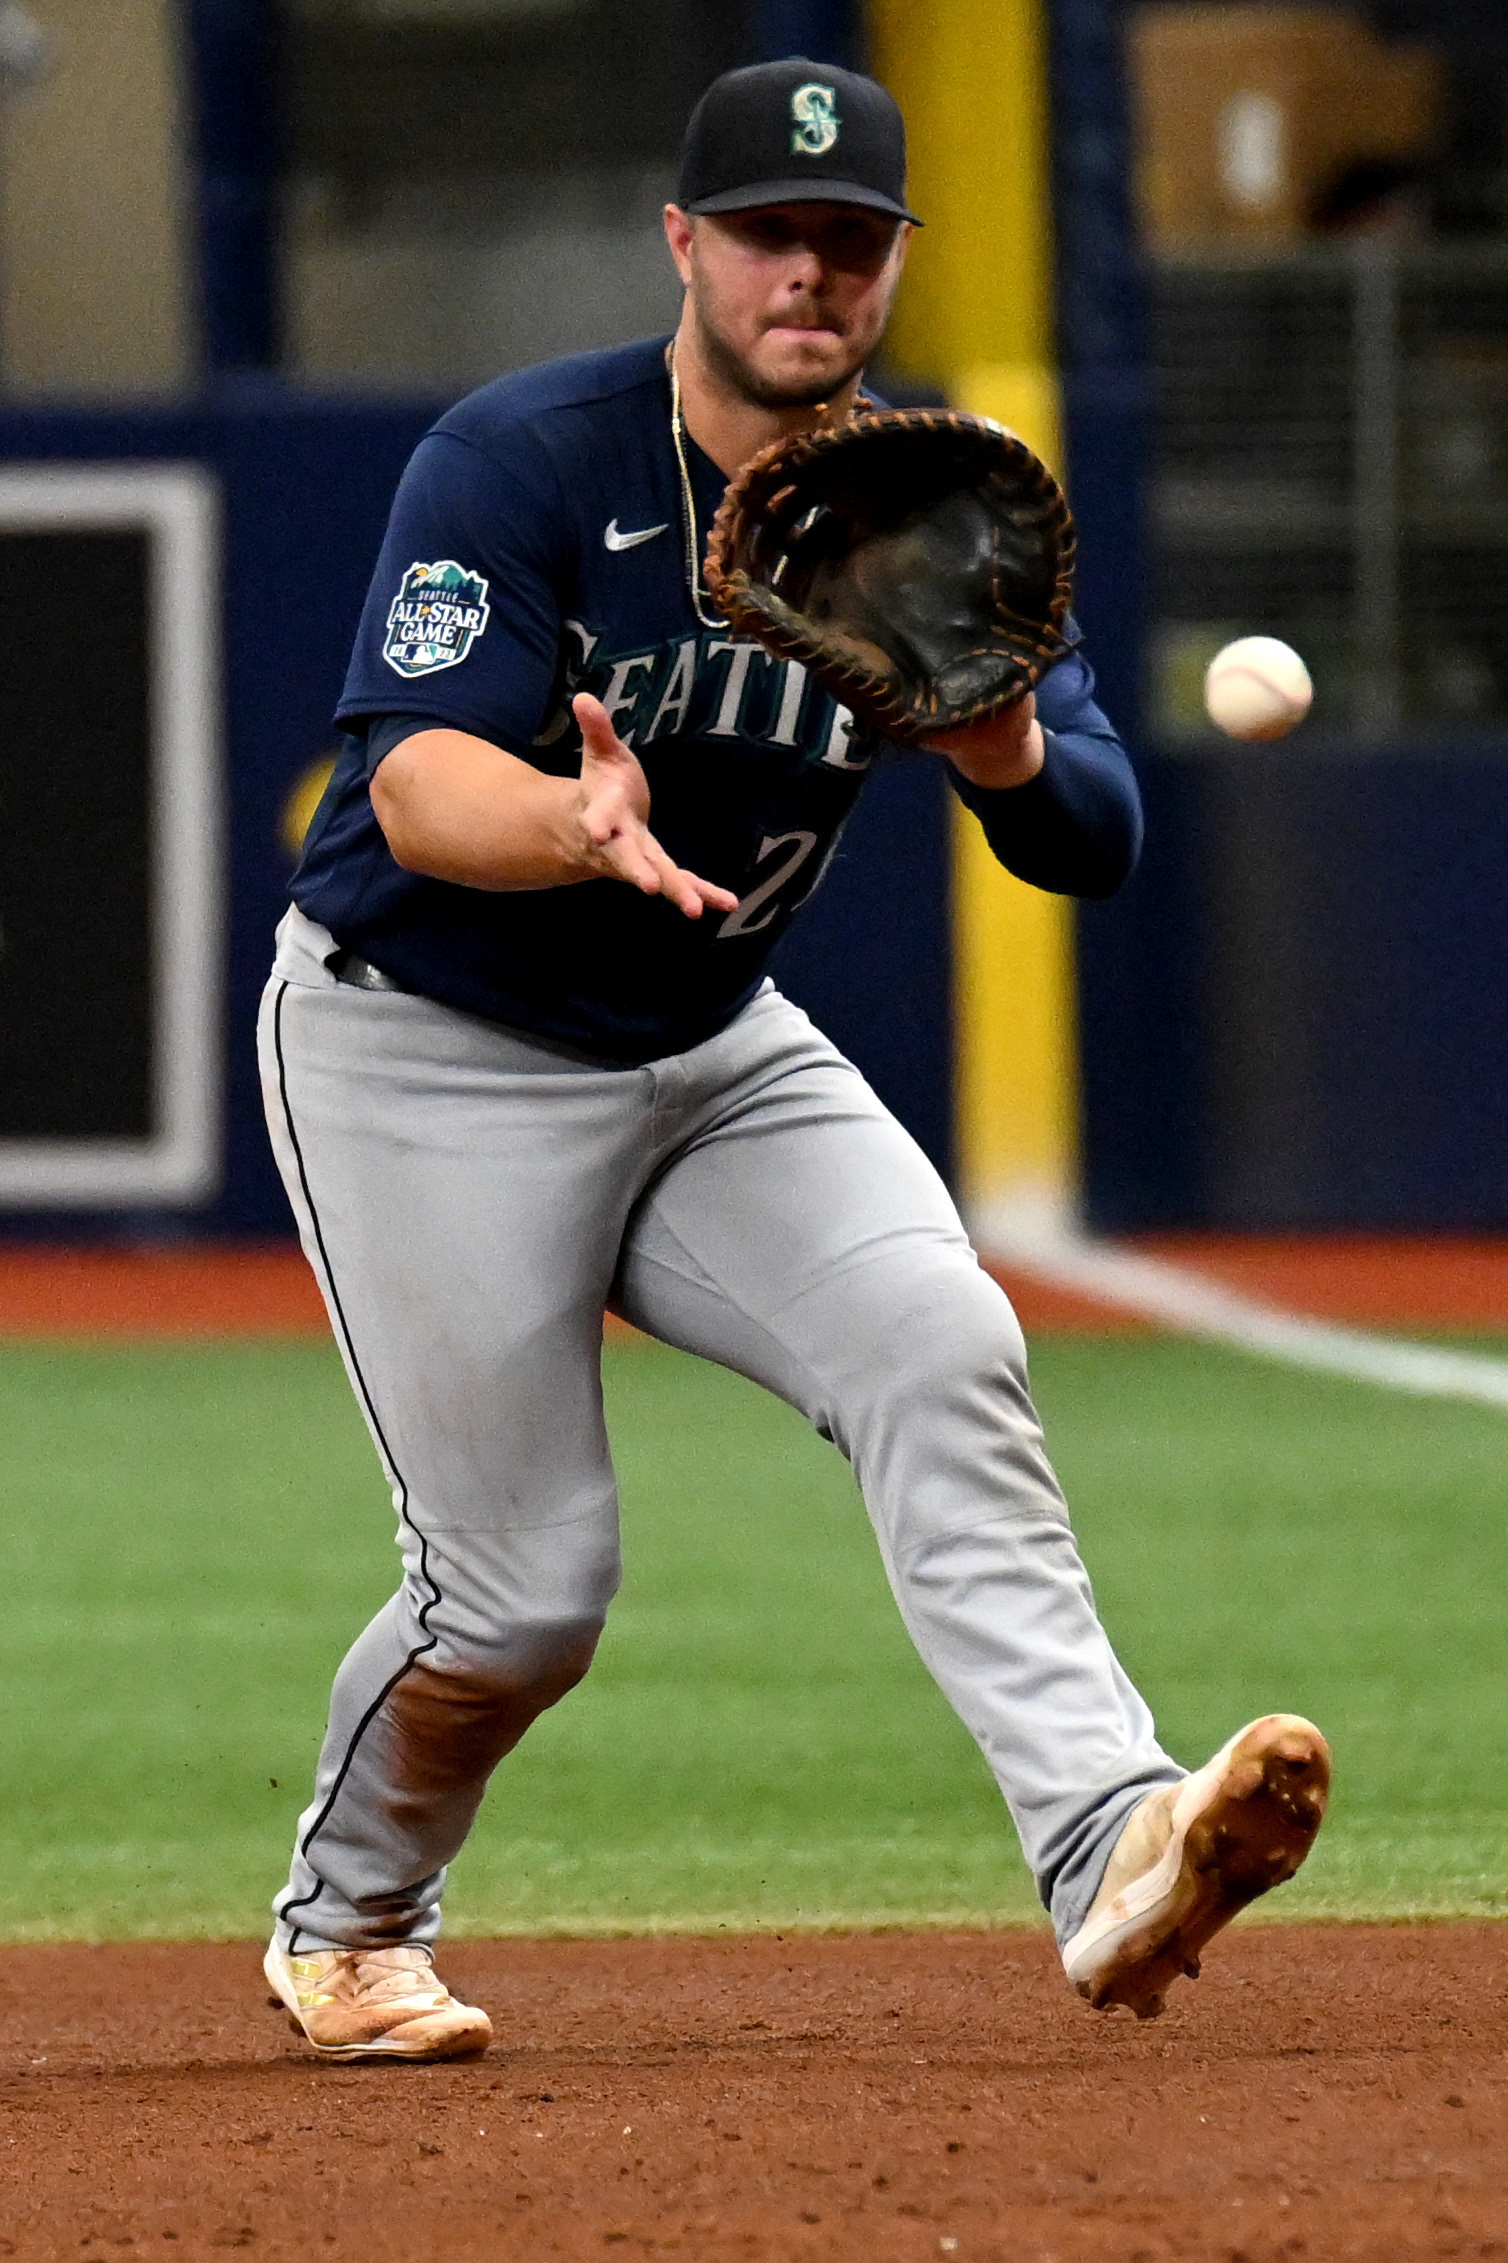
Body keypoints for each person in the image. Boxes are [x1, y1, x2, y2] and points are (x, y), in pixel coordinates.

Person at [259, 56, 1329, 2063]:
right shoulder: (519, 457)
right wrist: (573, 822)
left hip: (711, 1043)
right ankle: (351, 1921)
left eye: (848, 240)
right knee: (521, 1595)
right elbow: (410, 791)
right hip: (429, 1049)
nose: (806, 271)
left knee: (942, 1341)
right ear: (684, 244)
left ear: (894, 265)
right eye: (767, 231)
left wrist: (995, 727)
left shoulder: (935, 501)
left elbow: (1087, 833)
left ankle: (1113, 1838)